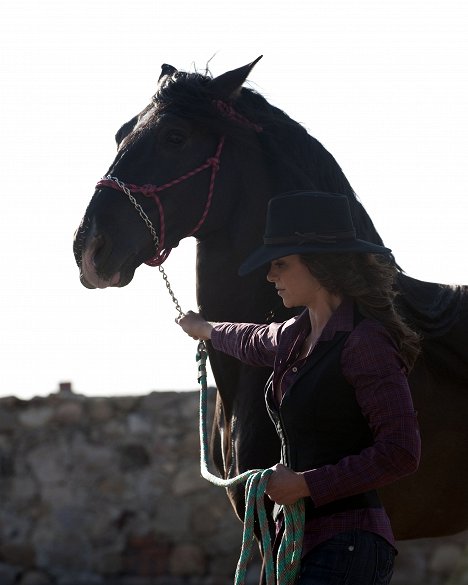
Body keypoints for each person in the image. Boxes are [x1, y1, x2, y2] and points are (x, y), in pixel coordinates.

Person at [177, 191, 421, 585]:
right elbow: (253, 340)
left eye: (280, 264)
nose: (270, 276)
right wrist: (204, 330)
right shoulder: (296, 334)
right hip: (303, 542)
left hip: (349, 545)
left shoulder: (366, 343)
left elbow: (401, 451)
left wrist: (304, 485)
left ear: (320, 265)